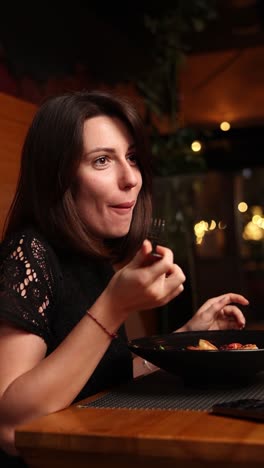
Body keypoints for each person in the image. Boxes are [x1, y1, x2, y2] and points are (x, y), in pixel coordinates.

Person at [0, 90, 248, 466]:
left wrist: (184, 339)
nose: (131, 178)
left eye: (131, 158)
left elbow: (99, 378)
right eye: (102, 160)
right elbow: (11, 424)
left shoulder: (92, 257)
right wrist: (114, 306)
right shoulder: (29, 252)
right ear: (58, 176)